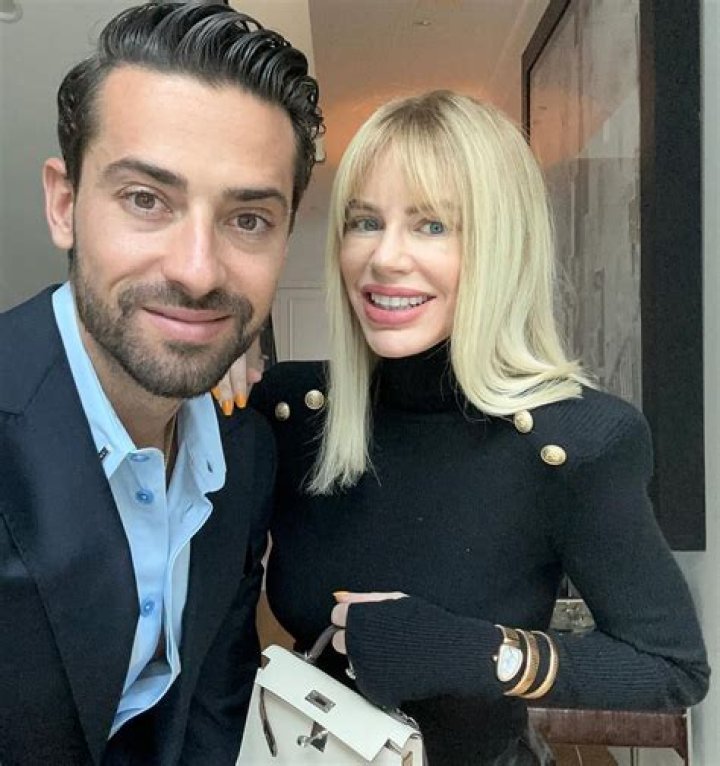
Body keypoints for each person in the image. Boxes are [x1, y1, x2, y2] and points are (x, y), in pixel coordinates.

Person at [241, 91, 710, 764]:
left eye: (432, 225)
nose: (384, 257)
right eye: (365, 221)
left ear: (502, 246)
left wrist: (468, 650)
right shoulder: (294, 411)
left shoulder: (574, 444)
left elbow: (671, 668)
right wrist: (214, 366)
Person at [0, 3, 322, 764]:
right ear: (64, 204)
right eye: (147, 200)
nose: (198, 271)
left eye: (248, 219)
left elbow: (213, 695)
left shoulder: (244, 451)